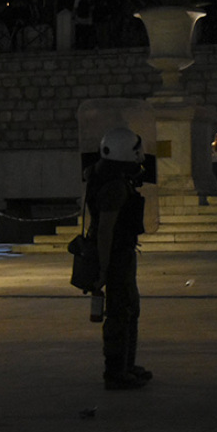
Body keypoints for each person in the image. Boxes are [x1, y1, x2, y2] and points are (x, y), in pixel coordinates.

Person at [84, 128, 153, 389]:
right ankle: (115, 371)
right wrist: (103, 267)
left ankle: (126, 364)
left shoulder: (107, 177)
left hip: (119, 253)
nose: (141, 156)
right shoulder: (115, 186)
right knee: (119, 312)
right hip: (116, 256)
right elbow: (105, 229)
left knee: (128, 309)